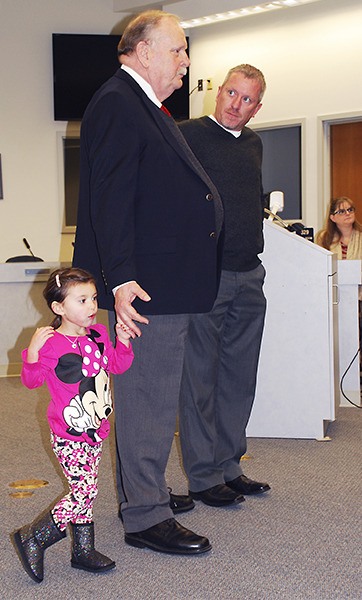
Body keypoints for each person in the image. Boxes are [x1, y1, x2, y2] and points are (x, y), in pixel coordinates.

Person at [72, 10, 223, 555]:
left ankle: (144, 492)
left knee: (147, 397)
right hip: (144, 287)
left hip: (160, 281)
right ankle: (145, 517)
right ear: (141, 50)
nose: (186, 62)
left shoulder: (143, 106)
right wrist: (123, 279)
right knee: (149, 399)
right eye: (179, 50)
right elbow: (110, 200)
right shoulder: (119, 103)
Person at [177, 64, 271, 508]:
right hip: (205, 277)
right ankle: (202, 476)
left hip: (249, 274)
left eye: (247, 98)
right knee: (199, 379)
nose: (236, 104)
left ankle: (230, 466)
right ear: (218, 92)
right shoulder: (187, 134)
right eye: (231, 93)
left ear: (257, 106)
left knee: (238, 377)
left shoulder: (254, 143)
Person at [12, 267, 134, 583]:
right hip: (69, 434)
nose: (92, 306)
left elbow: (117, 366)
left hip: (96, 429)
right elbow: (31, 381)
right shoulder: (52, 344)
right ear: (58, 308)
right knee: (82, 492)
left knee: (86, 491)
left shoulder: (98, 335)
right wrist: (33, 353)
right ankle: (34, 536)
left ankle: (83, 550)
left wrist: (122, 341)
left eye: (93, 298)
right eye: (81, 300)